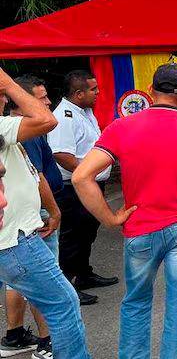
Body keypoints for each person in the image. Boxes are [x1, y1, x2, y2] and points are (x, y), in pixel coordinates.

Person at [72, 64, 177, 359]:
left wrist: (109, 218)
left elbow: (81, 176)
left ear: (150, 92)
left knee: (136, 302)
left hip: (140, 227)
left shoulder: (121, 127)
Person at [0, 68, 90, 359]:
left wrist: (51, 211)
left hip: (20, 235)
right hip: (16, 239)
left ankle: (19, 337)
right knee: (63, 303)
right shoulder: (3, 126)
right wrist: (9, 82)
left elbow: (31, 174)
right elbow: (46, 120)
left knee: (51, 298)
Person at [1, 76, 62, 359]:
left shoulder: (12, 129)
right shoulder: (18, 128)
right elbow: (37, 176)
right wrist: (52, 210)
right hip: (25, 224)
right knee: (52, 292)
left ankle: (14, 335)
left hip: (18, 225)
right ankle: (48, 341)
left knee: (19, 281)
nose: (48, 104)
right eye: (41, 98)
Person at [47, 70, 116, 306]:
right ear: (78, 94)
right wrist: (87, 172)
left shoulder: (84, 112)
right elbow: (61, 154)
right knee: (73, 237)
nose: (98, 93)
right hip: (75, 187)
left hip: (92, 183)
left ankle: (84, 274)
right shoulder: (64, 117)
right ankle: (68, 286)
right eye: (93, 89)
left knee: (88, 231)